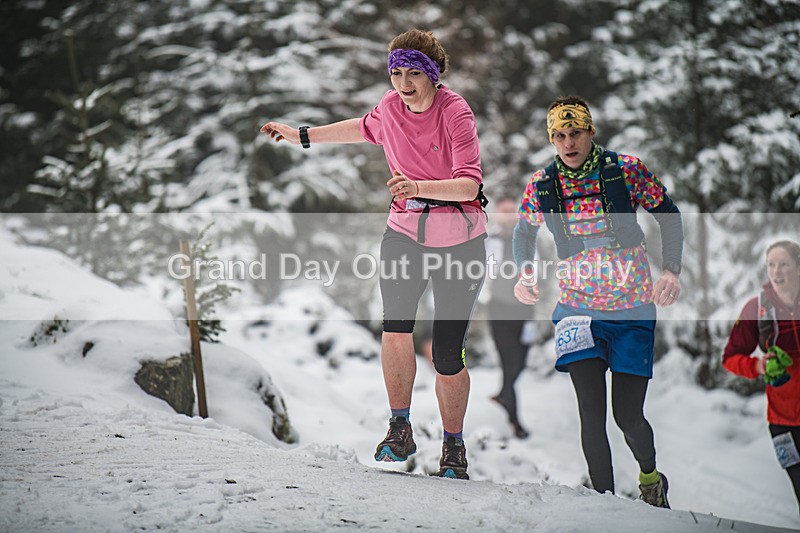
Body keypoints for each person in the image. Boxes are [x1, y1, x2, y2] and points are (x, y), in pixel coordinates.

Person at [261, 29, 487, 480]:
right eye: (396, 73)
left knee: (446, 353)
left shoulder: (455, 112)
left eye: (412, 74)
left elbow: (470, 184)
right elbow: (359, 128)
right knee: (396, 327)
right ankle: (400, 427)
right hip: (405, 232)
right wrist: (301, 135)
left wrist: (419, 186)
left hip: (460, 241)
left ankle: (453, 448)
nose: (403, 83)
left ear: (432, 75)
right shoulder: (389, 108)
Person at [512, 95, 683, 508]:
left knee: (627, 416)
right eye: (560, 136)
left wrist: (671, 270)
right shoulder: (543, 183)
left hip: (631, 309)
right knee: (591, 412)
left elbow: (669, 214)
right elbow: (523, 232)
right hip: (576, 311)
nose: (569, 143)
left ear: (591, 132)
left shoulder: (625, 171)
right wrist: (524, 271)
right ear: (552, 140)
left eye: (576, 133)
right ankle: (605, 505)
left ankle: (649, 477)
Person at [722, 240, 800, 514]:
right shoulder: (756, 309)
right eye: (771, 264)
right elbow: (730, 358)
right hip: (782, 424)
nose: (776, 271)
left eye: (784, 264)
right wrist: (758, 367)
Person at [486, 196, 534, 439]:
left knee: (520, 363)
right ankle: (515, 421)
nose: (507, 215)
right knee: (508, 362)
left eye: (511, 211)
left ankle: (503, 393)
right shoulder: (490, 240)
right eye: (503, 211)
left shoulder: (528, 238)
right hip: (499, 309)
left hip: (526, 311)